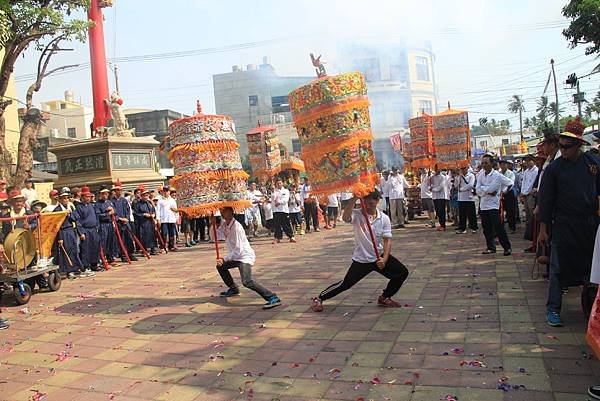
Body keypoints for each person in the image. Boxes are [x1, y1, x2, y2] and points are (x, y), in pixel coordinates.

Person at [538, 118, 600, 327]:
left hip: (590, 225)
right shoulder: (554, 169)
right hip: (564, 225)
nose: (563, 150)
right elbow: (546, 201)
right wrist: (544, 230)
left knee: (590, 269)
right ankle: (553, 308)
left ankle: (590, 306)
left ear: (579, 146)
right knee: (557, 268)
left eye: (567, 146)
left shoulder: (593, 164)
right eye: (561, 146)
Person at [311, 191, 409, 312]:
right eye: (365, 203)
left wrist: (385, 259)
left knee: (402, 272)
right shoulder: (357, 215)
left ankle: (385, 297)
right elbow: (345, 217)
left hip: (378, 257)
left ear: (377, 201)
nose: (367, 207)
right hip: (361, 260)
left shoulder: (384, 218)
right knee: (345, 284)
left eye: (371, 204)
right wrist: (354, 199)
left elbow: (387, 240)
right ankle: (319, 298)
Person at [210, 206, 282, 308]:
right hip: (235, 256)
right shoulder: (225, 225)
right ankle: (233, 288)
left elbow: (239, 250)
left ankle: (272, 297)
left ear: (230, 212)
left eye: (224, 210)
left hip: (244, 256)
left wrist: (224, 259)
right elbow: (215, 237)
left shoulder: (236, 227)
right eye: (221, 210)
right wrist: (212, 225)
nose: (222, 213)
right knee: (220, 266)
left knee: (247, 281)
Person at [476, 154, 513, 256]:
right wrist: (486, 190)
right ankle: (490, 247)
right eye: (482, 163)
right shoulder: (480, 174)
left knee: (498, 227)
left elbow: (508, 183)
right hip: (483, 205)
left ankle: (507, 247)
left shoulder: (496, 175)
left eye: (486, 163)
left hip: (494, 205)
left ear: (492, 164)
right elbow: (477, 190)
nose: (484, 165)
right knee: (486, 227)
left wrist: (502, 191)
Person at [54, 188, 88, 278]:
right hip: (63, 231)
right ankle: (68, 270)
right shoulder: (57, 210)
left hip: (71, 230)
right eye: (63, 198)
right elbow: (57, 226)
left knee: (74, 249)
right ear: (60, 200)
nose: (66, 200)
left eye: (67, 198)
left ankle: (76, 268)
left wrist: (69, 214)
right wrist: (60, 237)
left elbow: (76, 217)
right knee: (67, 250)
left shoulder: (70, 207)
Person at [74, 186, 102, 272]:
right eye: (86, 196)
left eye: (89, 196)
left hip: (94, 229)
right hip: (85, 230)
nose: (88, 198)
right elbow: (77, 221)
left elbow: (96, 217)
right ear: (82, 197)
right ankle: (86, 266)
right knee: (86, 249)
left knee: (95, 247)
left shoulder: (92, 206)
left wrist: (97, 226)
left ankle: (94, 264)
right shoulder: (79, 207)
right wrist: (81, 232)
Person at [112, 180, 139, 261]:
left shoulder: (124, 200)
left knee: (129, 238)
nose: (119, 192)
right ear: (115, 191)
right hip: (118, 223)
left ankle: (130, 254)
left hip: (126, 222)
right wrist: (120, 219)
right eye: (117, 190)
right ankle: (123, 255)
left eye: (120, 190)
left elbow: (128, 210)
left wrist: (126, 218)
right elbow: (114, 213)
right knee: (121, 239)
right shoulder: (112, 201)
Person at [94, 185, 119, 266]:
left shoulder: (109, 202)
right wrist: (107, 214)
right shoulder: (97, 204)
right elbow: (98, 215)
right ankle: (103, 258)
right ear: (100, 195)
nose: (105, 195)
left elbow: (115, 211)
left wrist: (113, 211)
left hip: (110, 224)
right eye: (103, 194)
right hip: (103, 225)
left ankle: (111, 258)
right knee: (103, 241)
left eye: (106, 194)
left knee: (111, 241)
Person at [520, 154, 539, 250]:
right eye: (525, 162)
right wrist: (523, 192)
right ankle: (530, 235)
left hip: (531, 195)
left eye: (528, 161)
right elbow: (524, 182)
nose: (526, 163)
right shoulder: (526, 171)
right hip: (526, 195)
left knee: (533, 216)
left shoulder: (535, 171)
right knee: (528, 216)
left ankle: (533, 237)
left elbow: (532, 184)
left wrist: (527, 192)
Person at [134, 185, 158, 255]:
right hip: (143, 222)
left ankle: (153, 249)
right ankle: (144, 250)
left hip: (150, 222)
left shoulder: (149, 202)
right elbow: (135, 214)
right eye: (144, 195)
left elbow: (153, 210)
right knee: (144, 236)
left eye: (147, 195)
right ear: (141, 196)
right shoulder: (137, 204)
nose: (146, 197)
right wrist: (143, 214)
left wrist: (153, 215)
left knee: (152, 235)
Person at [271, 179, 296, 243]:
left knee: (286, 224)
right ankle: (277, 238)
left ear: (282, 183)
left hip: (284, 210)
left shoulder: (286, 190)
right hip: (276, 210)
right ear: (275, 184)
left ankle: (291, 236)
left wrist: (279, 202)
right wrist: (273, 192)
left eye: (280, 183)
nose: (279, 184)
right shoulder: (274, 191)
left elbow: (286, 200)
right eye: (277, 183)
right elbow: (273, 200)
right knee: (277, 225)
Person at [456, 165, 478, 234]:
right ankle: (462, 228)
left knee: (471, 214)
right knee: (462, 214)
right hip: (461, 198)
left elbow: (471, 185)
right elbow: (456, 185)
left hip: (469, 197)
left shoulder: (471, 175)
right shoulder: (459, 176)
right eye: (461, 168)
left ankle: (474, 228)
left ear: (467, 168)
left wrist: (462, 189)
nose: (463, 170)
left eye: (464, 168)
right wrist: (458, 177)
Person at [157, 185, 179, 251]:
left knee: (172, 233)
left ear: (169, 192)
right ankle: (163, 246)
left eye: (167, 191)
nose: (166, 193)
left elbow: (176, 210)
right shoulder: (160, 200)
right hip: (164, 219)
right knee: (164, 233)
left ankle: (171, 246)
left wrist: (177, 218)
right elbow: (158, 210)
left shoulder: (172, 200)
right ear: (163, 192)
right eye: (165, 191)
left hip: (171, 219)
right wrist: (158, 219)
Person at [499, 159, 517, 234]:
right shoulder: (499, 173)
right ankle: (502, 226)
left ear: (506, 165)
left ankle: (512, 227)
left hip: (509, 193)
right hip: (501, 194)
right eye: (501, 164)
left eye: (504, 164)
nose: (502, 166)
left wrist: (506, 191)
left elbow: (511, 183)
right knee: (501, 210)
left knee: (510, 211)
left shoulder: (511, 173)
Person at [431, 164, 448, 231]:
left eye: (437, 168)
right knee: (437, 211)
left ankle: (443, 225)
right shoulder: (433, 177)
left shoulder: (443, 177)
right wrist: (431, 187)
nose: (436, 170)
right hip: (435, 197)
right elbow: (431, 184)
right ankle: (441, 224)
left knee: (441, 211)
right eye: (435, 168)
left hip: (441, 196)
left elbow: (441, 187)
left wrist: (433, 189)